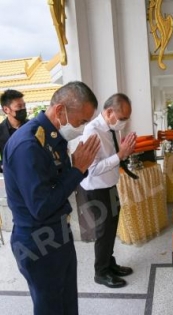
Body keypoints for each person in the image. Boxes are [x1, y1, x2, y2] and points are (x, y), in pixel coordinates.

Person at [3, 81, 100, 315]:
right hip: (38, 242)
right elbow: (41, 206)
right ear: (60, 111)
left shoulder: (52, 137)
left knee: (67, 303)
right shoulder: (28, 145)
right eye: (81, 122)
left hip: (58, 233)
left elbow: (58, 182)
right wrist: (77, 170)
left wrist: (77, 169)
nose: (82, 128)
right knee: (50, 308)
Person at [78, 93, 137, 288]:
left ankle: (109, 264)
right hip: (96, 190)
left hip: (110, 186)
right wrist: (120, 155)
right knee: (104, 231)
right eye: (122, 118)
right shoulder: (92, 131)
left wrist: (123, 153)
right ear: (109, 111)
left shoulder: (109, 129)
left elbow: (112, 158)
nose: (124, 123)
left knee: (111, 229)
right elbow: (92, 169)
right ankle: (100, 272)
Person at [0, 89, 28, 172]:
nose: (23, 109)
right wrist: (3, 166)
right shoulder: (1, 131)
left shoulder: (34, 127)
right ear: (6, 110)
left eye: (24, 105)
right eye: (19, 106)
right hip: (12, 179)